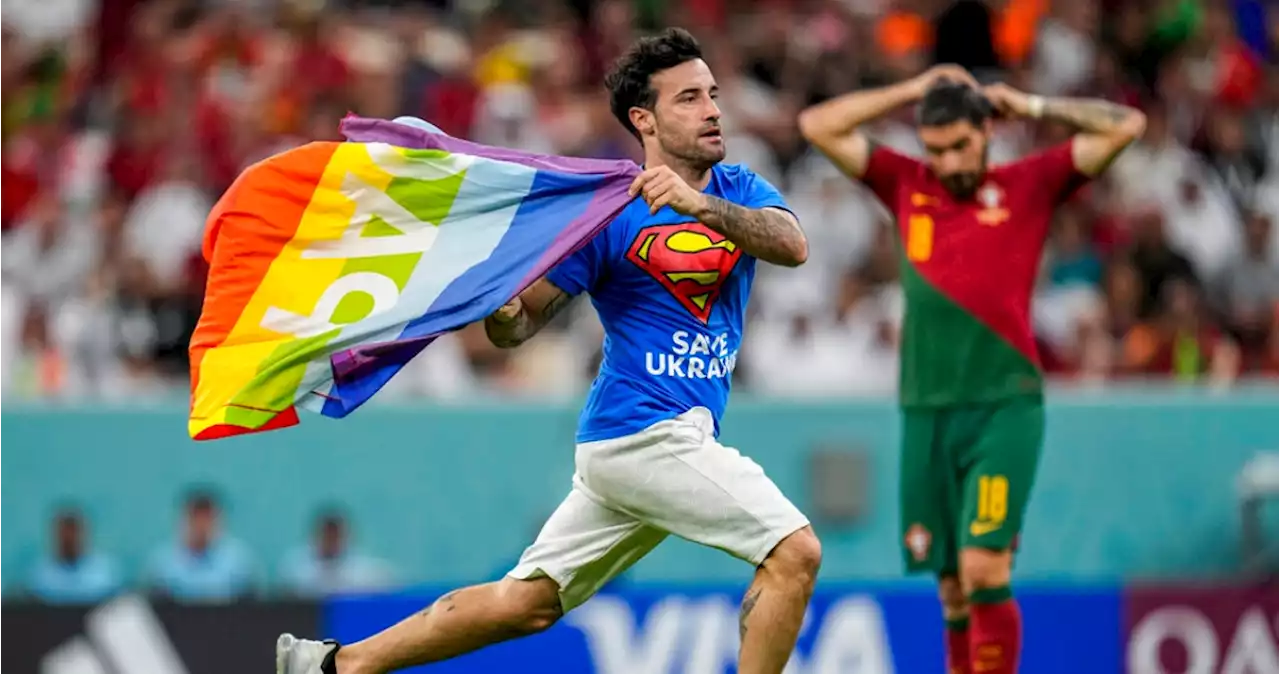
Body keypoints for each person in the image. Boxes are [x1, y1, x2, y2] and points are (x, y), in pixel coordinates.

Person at [276, 27, 821, 674]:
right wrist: (500, 308)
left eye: (713, 94)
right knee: (795, 551)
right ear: (643, 120)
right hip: (644, 434)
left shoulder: (737, 189)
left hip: (639, 443)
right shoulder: (609, 213)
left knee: (526, 602)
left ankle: (335, 666)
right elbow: (519, 326)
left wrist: (698, 205)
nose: (712, 110)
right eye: (689, 99)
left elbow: (791, 244)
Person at [798, 65, 1144, 674]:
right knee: (952, 587)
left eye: (960, 145)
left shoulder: (1030, 183)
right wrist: (912, 90)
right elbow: (817, 124)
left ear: (988, 130)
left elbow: (1127, 125)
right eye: (935, 149)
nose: (950, 161)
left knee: (985, 567)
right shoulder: (906, 182)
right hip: (926, 411)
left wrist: (1032, 103)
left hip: (1003, 407)